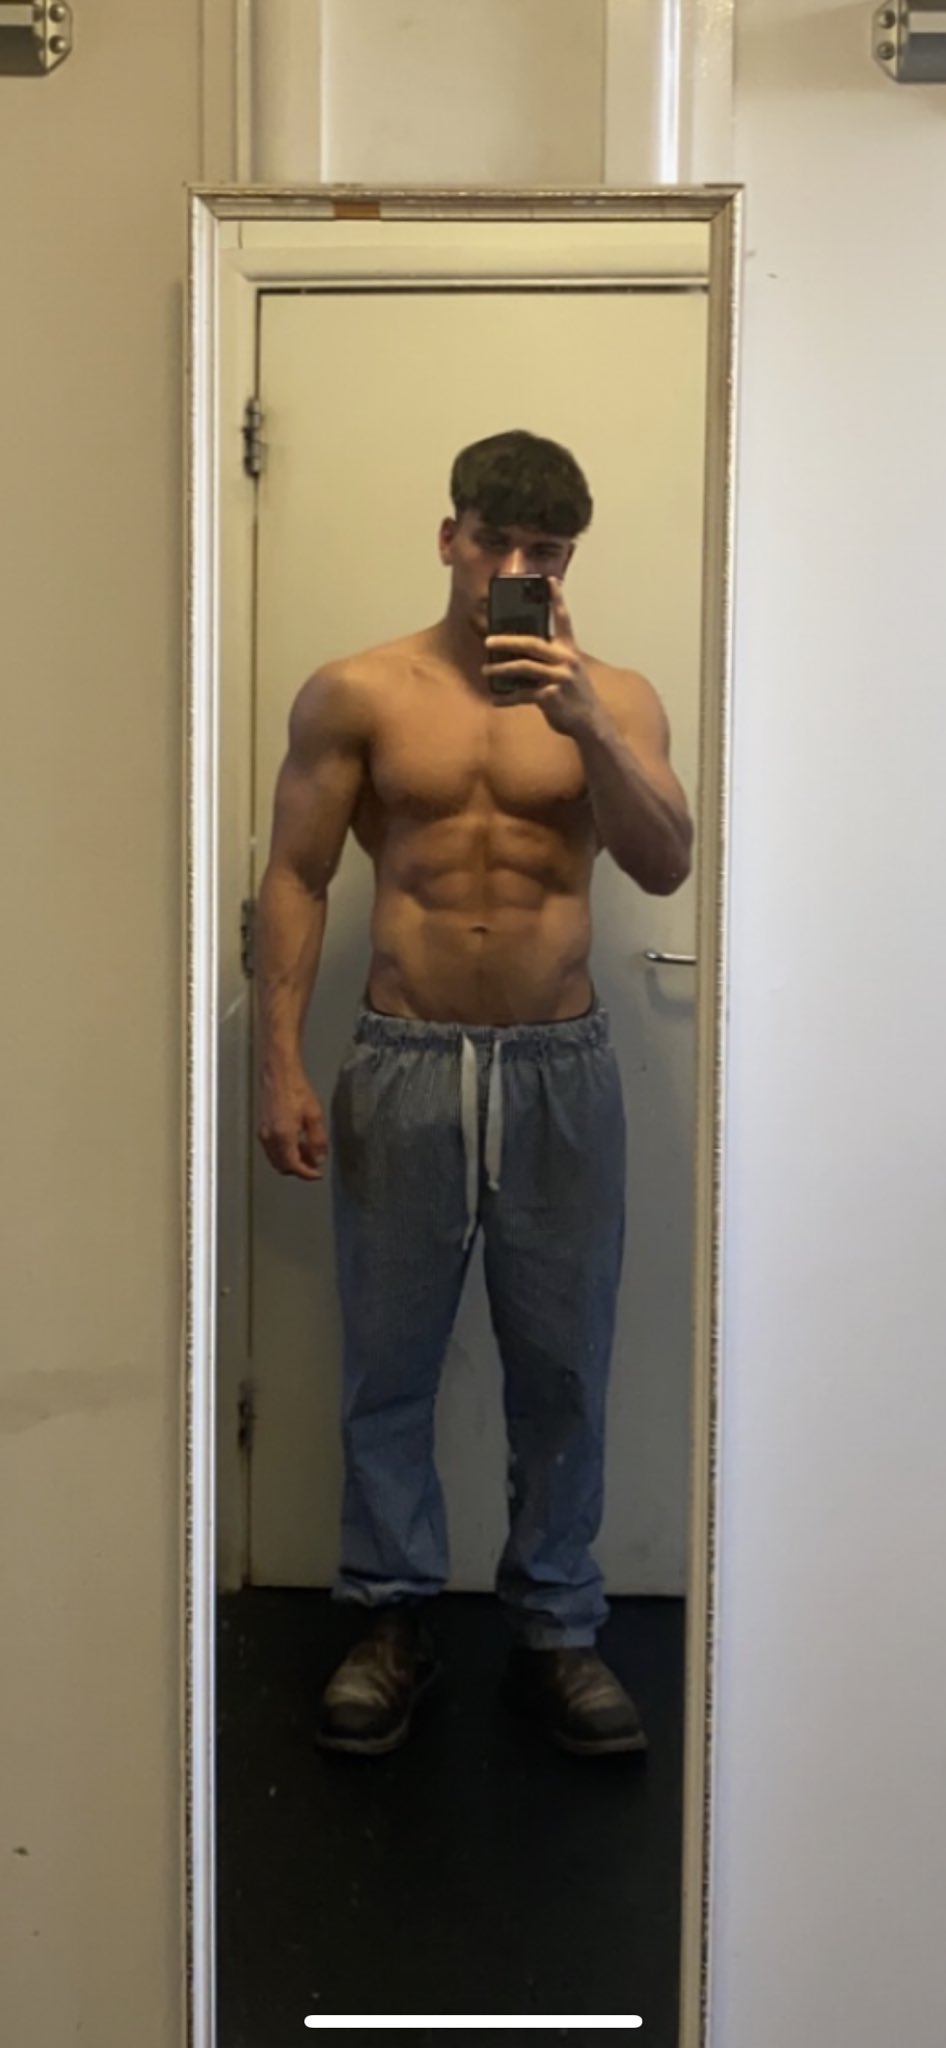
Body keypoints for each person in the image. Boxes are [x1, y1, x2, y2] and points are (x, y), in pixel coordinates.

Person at [256, 429, 692, 1758]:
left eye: (543, 551)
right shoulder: (359, 691)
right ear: (449, 537)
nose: (513, 566)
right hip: (402, 1059)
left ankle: (557, 1629)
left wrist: (586, 724)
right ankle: (389, 1618)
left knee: (561, 1367)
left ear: (566, 564)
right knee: (388, 1361)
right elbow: (297, 876)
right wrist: (279, 1061)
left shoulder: (617, 698)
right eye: (493, 540)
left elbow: (665, 862)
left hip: (561, 1067)